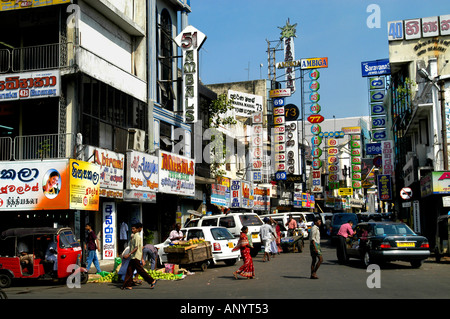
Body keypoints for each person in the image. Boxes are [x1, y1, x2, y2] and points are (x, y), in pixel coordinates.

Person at [121, 223, 157, 290]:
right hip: (133, 257)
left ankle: (152, 280)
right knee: (129, 270)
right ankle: (127, 284)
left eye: (133, 229)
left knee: (140, 270)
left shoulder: (137, 237)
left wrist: (128, 254)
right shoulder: (134, 236)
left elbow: (136, 248)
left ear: (138, 229)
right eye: (132, 229)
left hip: (135, 257)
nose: (132, 230)